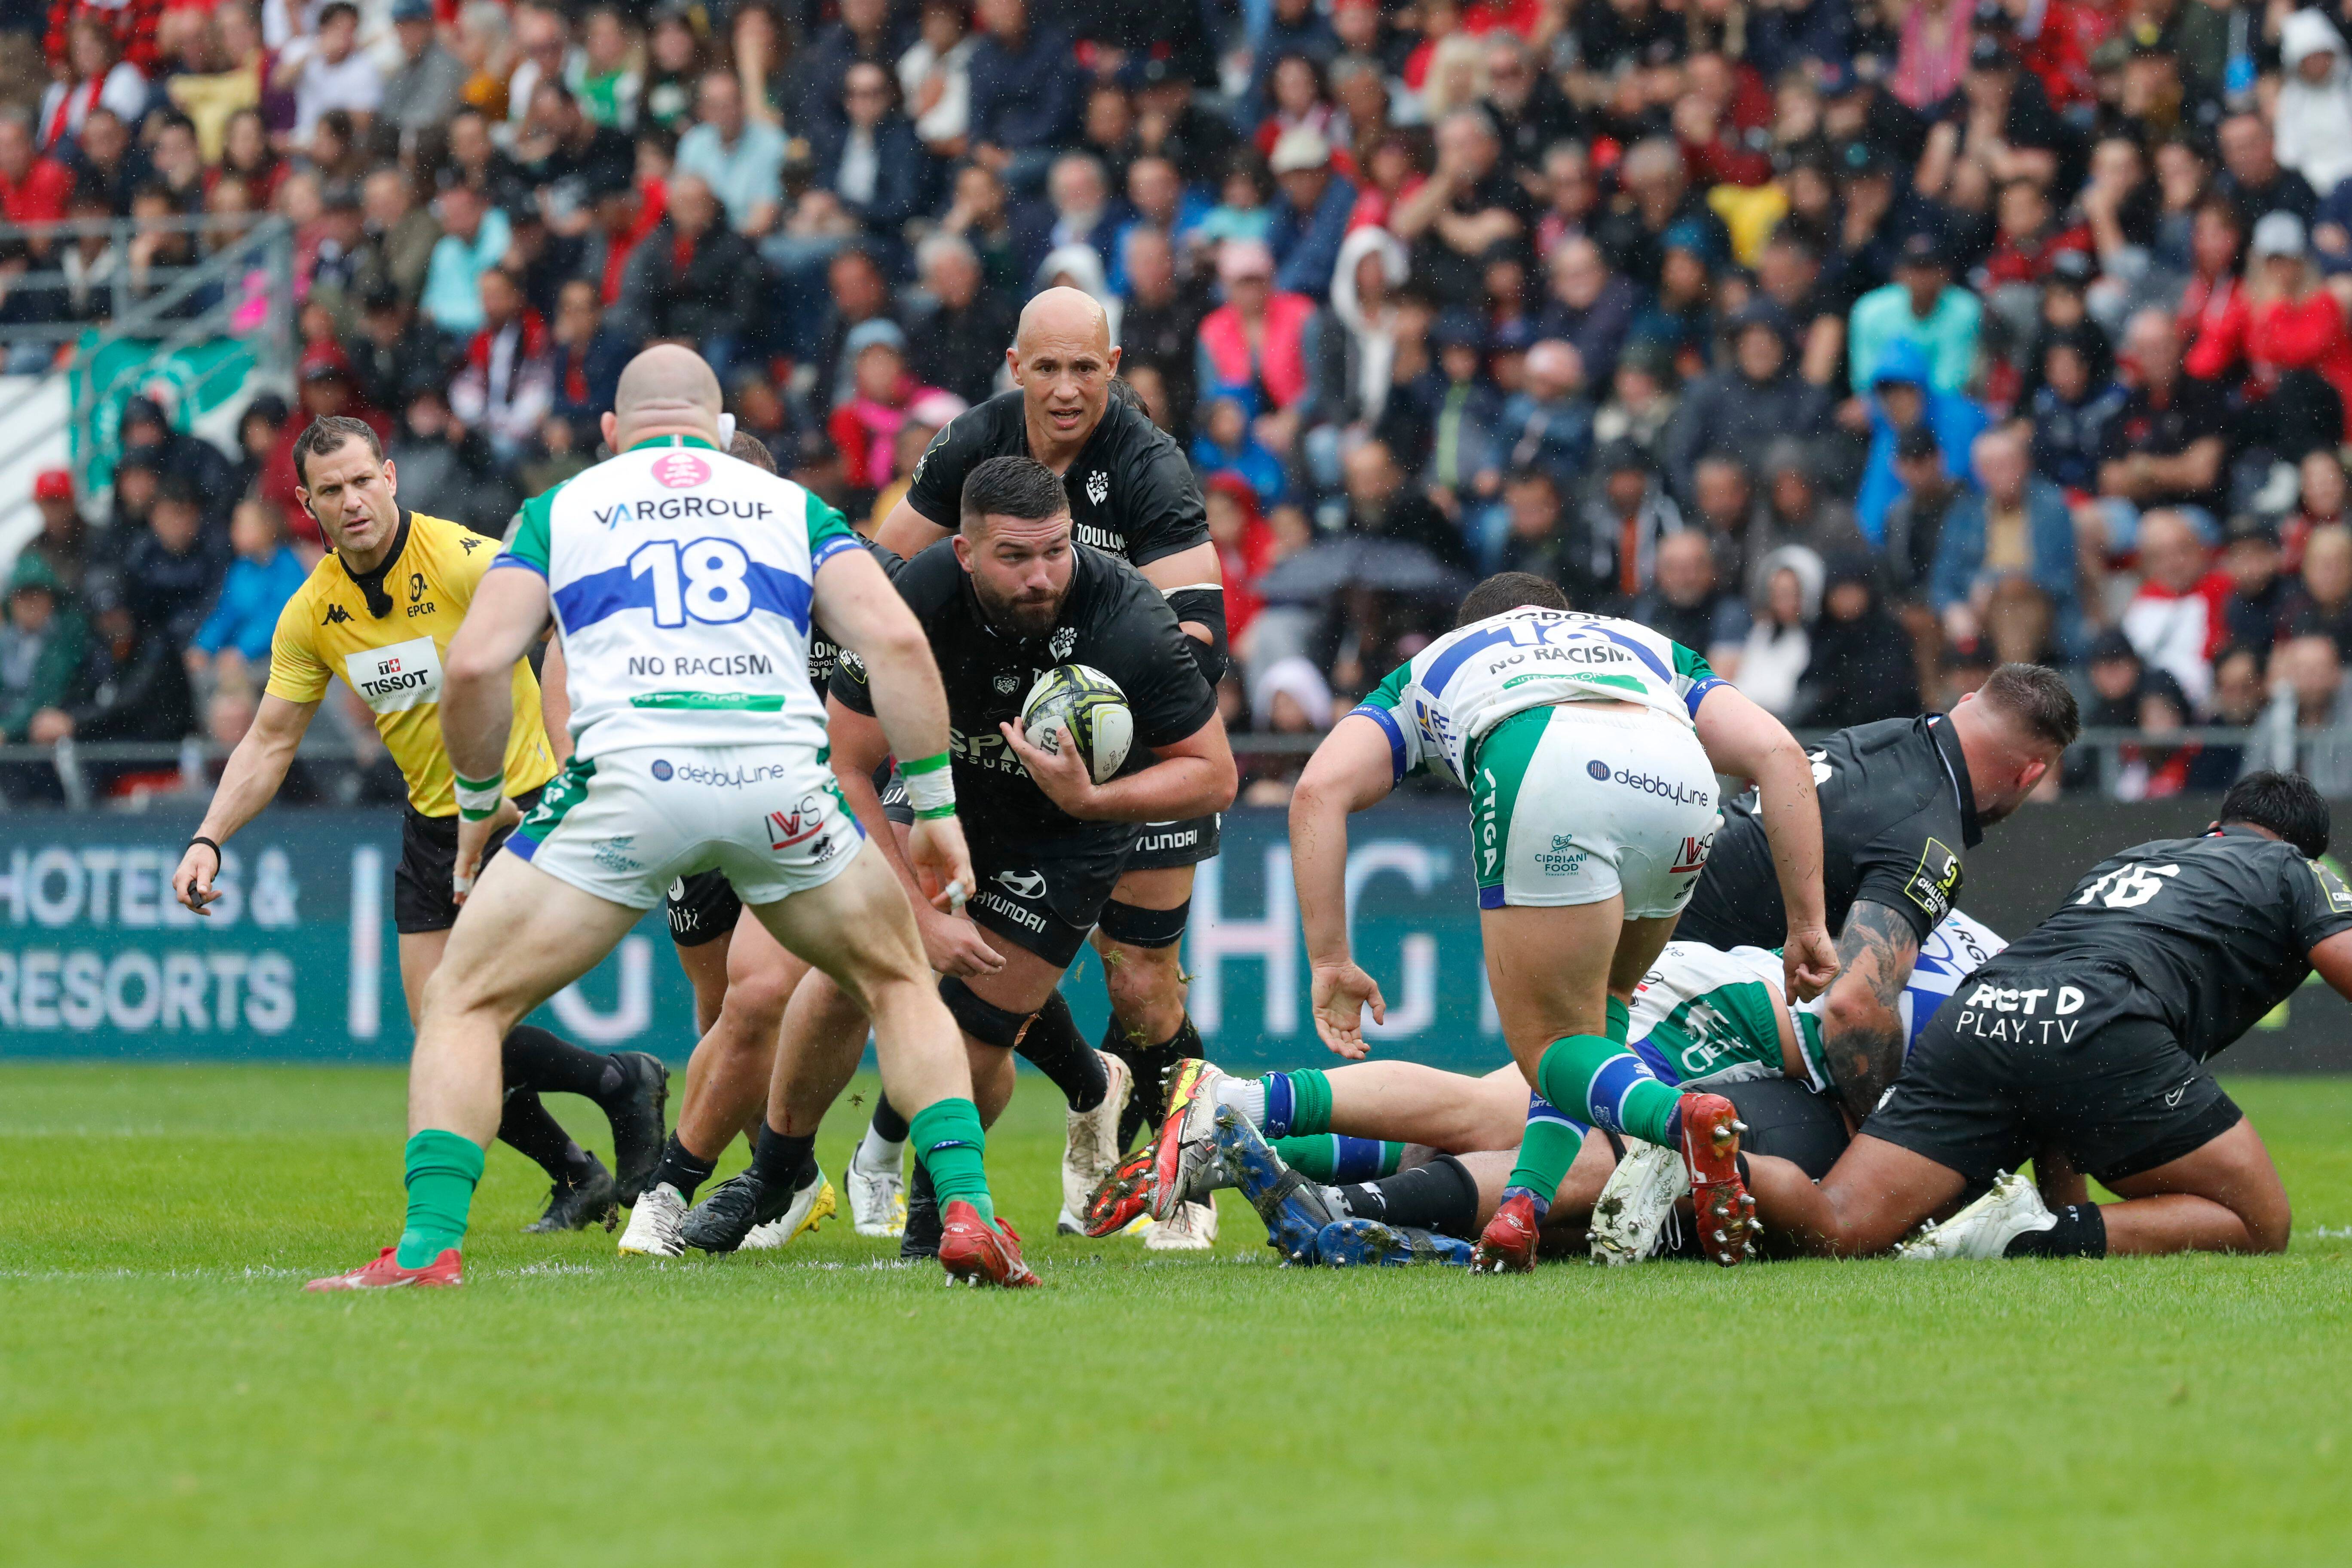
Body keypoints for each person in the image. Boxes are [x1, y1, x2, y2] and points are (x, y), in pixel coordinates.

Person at [303, 347, 1041, 1291]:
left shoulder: (564, 509)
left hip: (628, 787)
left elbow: (483, 665)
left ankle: (426, 1250)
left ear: (611, 434)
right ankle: (971, 1213)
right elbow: (895, 637)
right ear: (725, 431)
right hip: (780, 782)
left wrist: (482, 804)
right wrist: (934, 804)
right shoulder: (792, 508)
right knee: (898, 984)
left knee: (463, 1000)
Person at [682, 453, 1233, 1266]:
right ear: (968, 552)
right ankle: (773, 1169)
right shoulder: (918, 600)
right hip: (949, 797)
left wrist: (1091, 801)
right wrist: (913, 913)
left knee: (979, 1031)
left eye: (1056, 550)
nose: (1042, 574)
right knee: (845, 972)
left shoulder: (1128, 620)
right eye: (1015, 557)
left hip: (1071, 831)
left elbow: (1214, 772)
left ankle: (932, 1217)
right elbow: (842, 765)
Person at [1204, 572, 1832, 1275]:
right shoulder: (1644, 642)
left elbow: (1318, 789)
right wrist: (1806, 919)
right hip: (1679, 772)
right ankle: (1521, 1208)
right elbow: (1779, 755)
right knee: (1599, 1019)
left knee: (1550, 1047)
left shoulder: (1440, 661)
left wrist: (1328, 957)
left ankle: (1678, 1119)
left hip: (1545, 758)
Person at [168, 413, 665, 1237]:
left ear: (391, 476)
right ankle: (583, 1154)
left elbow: (577, 637)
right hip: (434, 824)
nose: (353, 500)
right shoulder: (314, 612)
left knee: (463, 1016)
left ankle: (620, 1085)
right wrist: (207, 836)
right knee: (440, 1031)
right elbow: (269, 741)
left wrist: (577, 759)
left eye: (364, 480)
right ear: (307, 503)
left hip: (522, 814)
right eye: (332, 490)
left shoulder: (469, 561)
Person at [872, 287, 1231, 1240]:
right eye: (1048, 368)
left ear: (1114, 368)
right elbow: (879, 573)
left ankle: (1179, 1183)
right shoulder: (971, 444)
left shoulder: (1150, 468)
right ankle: (1088, 1093)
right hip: (998, 751)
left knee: (1142, 982)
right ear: (1015, 366)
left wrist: (1086, 681)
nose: (1067, 389)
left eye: (1086, 368)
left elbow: (1203, 637)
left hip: (1136, 747)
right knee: (983, 954)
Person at [1090, 909, 2007, 1267]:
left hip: (1754, 1041)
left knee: (1505, 1138)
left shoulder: (2000, 965)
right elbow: (1855, 1018)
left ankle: (1240, 1155)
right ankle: (1238, 1102)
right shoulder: (2004, 989)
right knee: (1506, 1107)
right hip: (1727, 1015)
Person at [1747, 772, 2352, 1263]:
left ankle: (1694, 1159)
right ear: (2301, 846)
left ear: (2219, 825)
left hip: (1981, 1008)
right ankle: (2034, 1236)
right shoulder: (2295, 869)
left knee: (1838, 1225)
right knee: (2258, 1222)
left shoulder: (2133, 859)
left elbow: (2054, 1068)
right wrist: (2063, 1228)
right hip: (2102, 1019)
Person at [1676, 662, 2079, 1140]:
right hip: (1677, 991)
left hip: (1651, 920)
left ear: (1967, 702)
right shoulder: (1928, 838)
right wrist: (1892, 1142)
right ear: (2031, 773)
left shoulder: (1884, 735)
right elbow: (1853, 1008)